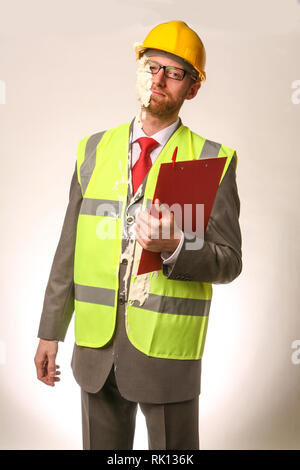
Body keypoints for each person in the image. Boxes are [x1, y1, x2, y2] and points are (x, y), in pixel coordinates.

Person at [34, 20, 242, 450]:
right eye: (151, 66)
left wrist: (177, 248)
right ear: (139, 70)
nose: (159, 79)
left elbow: (229, 260)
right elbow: (67, 249)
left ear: (193, 87)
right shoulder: (92, 150)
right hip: (94, 346)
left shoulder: (211, 160)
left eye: (174, 71)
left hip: (166, 351)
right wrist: (50, 331)